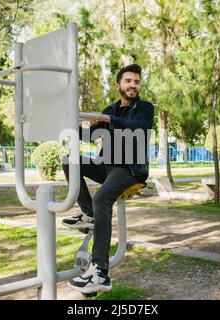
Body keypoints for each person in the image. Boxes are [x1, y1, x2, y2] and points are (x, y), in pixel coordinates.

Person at [61, 64, 154, 294]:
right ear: (118, 85)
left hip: (130, 169)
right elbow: (91, 136)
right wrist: (73, 126)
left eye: (136, 82)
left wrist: (108, 120)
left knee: (101, 198)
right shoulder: (110, 109)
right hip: (108, 166)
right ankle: (88, 213)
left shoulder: (144, 108)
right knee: (69, 159)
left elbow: (138, 126)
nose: (133, 85)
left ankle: (100, 272)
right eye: (129, 81)